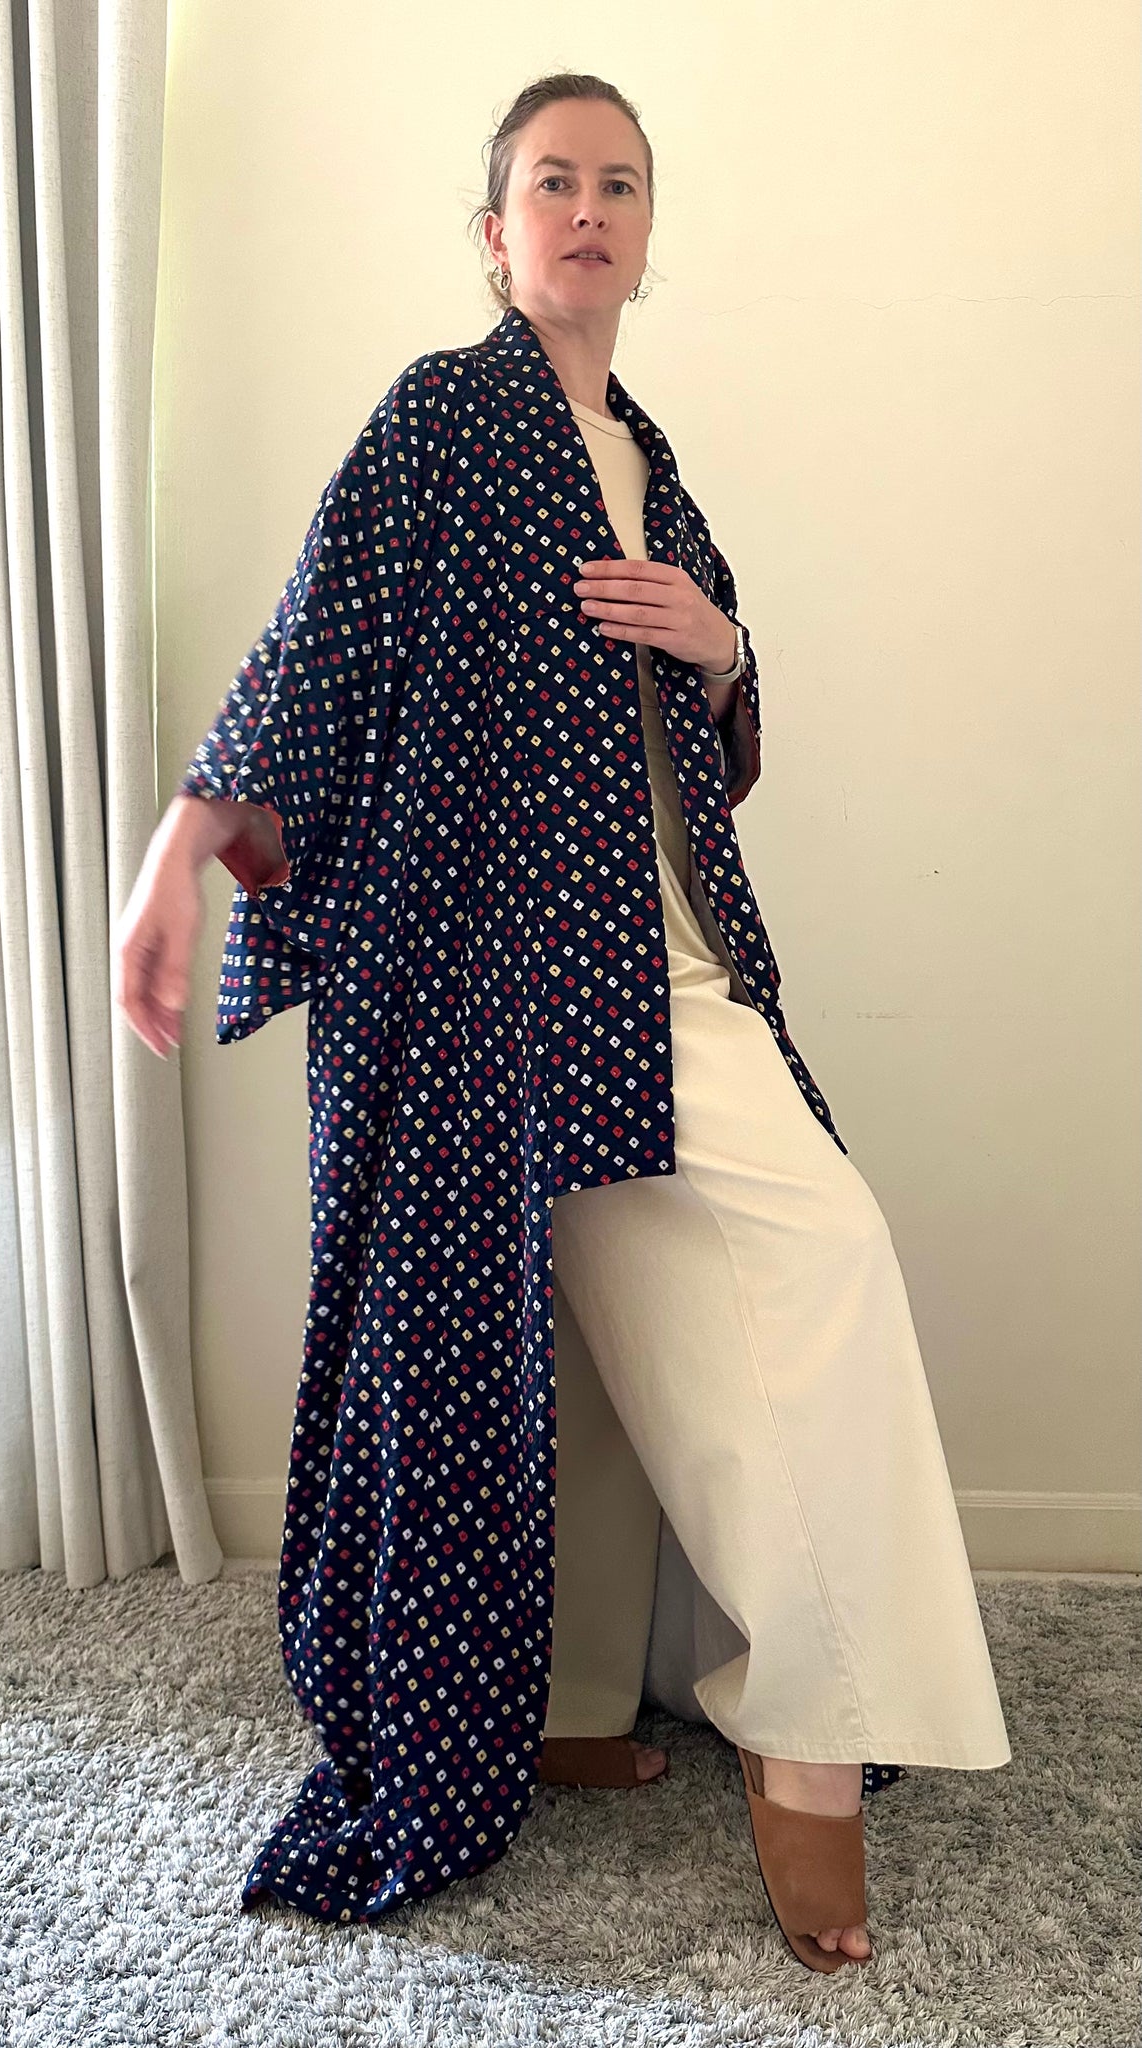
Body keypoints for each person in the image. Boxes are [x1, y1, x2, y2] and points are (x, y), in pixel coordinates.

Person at [115, 76, 1011, 1965]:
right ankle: (775, 1746)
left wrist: (723, 646)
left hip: (659, 958)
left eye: (618, 183)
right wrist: (186, 840)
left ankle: (601, 1693)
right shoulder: (444, 417)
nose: (587, 208)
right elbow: (320, 638)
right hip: (497, 971)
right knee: (696, 1286)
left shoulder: (643, 456)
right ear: (496, 230)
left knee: (639, 1320)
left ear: (645, 230)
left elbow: (712, 732)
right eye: (550, 182)